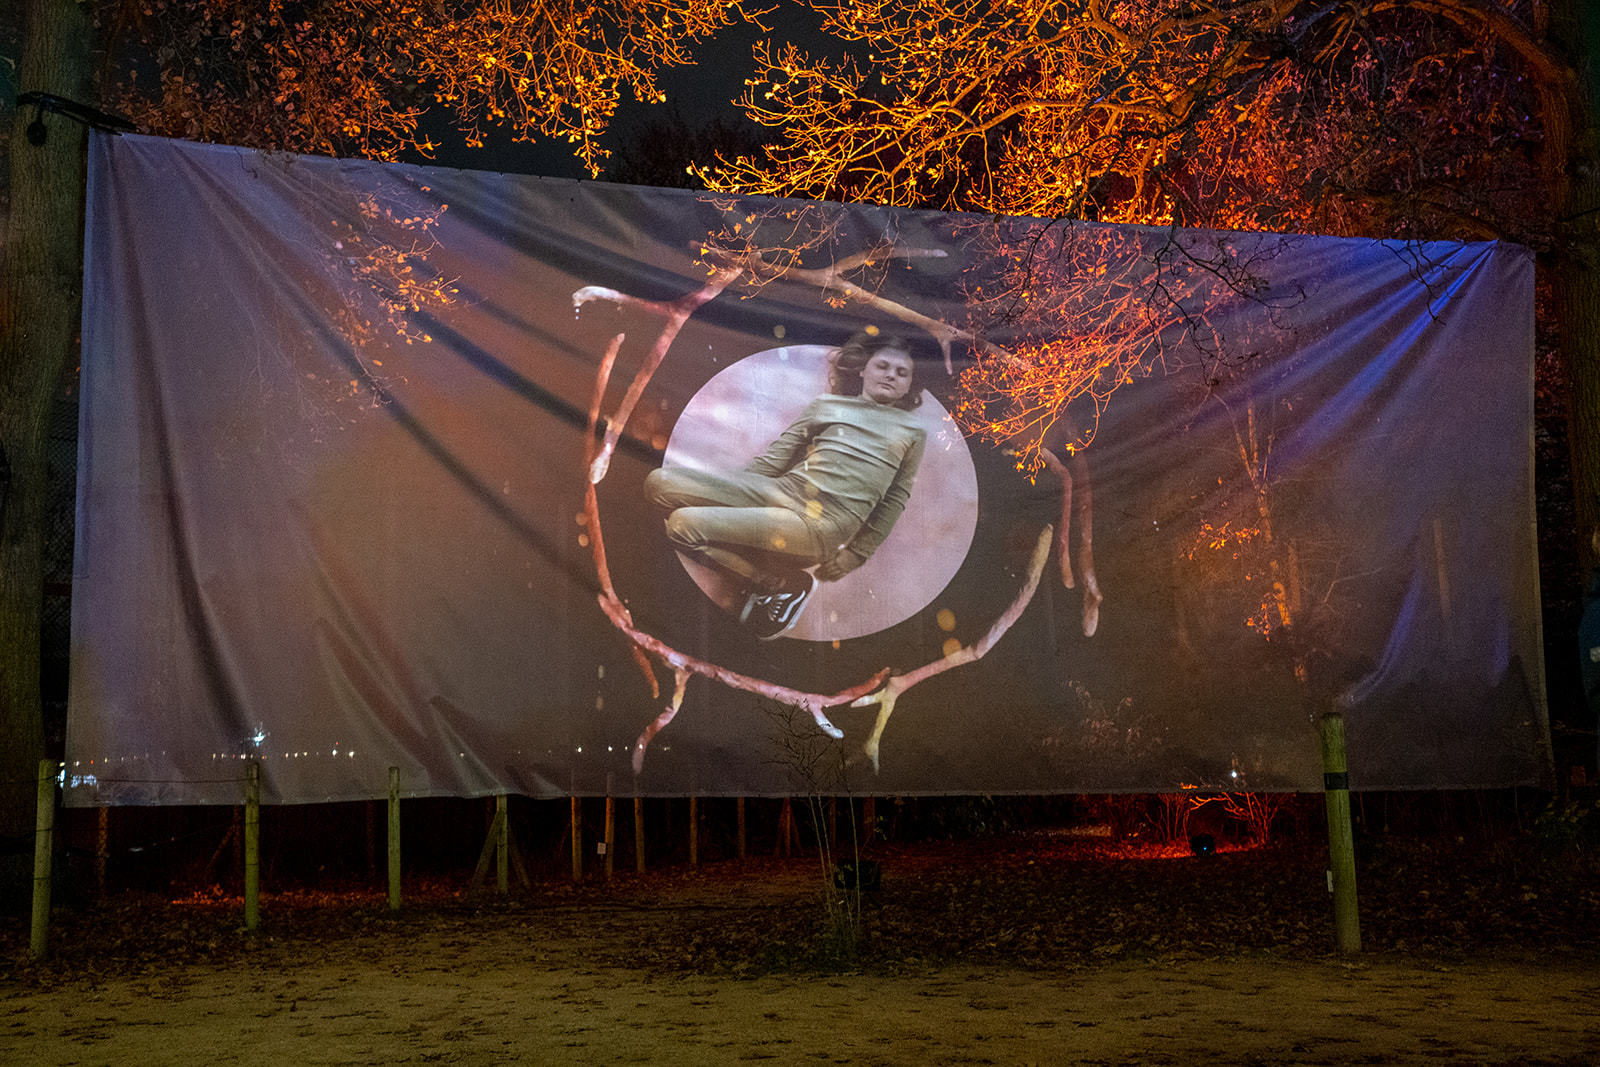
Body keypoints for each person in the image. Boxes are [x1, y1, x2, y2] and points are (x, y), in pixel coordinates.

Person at [645, 330, 927, 639]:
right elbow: (774, 461)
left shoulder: (912, 431)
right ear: (863, 368)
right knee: (659, 483)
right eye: (882, 366)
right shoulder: (826, 405)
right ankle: (753, 551)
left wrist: (856, 554)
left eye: (902, 373)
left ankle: (779, 584)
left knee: (683, 525)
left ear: (910, 383)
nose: (890, 376)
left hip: (821, 524)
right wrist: (729, 497)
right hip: (781, 491)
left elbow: (895, 499)